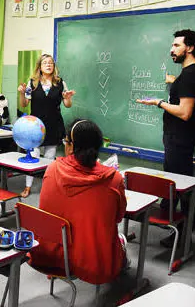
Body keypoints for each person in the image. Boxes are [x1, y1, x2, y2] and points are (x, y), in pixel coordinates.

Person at [31, 119, 127, 284]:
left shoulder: (52, 169)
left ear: (70, 146)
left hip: (49, 255)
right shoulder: (113, 180)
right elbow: (118, 218)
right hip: (92, 263)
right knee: (121, 240)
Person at [137, 29, 195, 246]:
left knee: (182, 185)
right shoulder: (193, 73)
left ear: (190, 47)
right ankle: (181, 227)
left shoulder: (191, 75)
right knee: (179, 182)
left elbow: (185, 112)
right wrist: (173, 83)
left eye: (177, 45)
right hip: (180, 137)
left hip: (179, 137)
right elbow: (185, 95)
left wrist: (158, 103)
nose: (171, 49)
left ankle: (184, 233)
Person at [17, 54, 76, 198]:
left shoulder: (60, 83)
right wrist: (22, 94)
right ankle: (28, 186)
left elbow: (67, 105)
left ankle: (47, 187)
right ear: (40, 67)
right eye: (45, 63)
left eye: (51, 63)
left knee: (49, 158)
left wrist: (68, 98)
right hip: (35, 126)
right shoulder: (32, 83)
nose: (48, 65)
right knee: (33, 155)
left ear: (53, 66)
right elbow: (24, 104)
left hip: (54, 124)